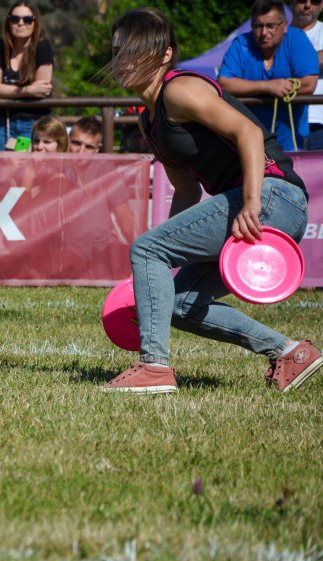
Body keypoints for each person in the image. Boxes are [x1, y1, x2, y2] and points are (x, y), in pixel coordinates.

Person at [102, 8, 320, 394]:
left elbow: (249, 132)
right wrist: (159, 273)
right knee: (180, 304)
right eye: (117, 51)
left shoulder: (179, 89)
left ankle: (154, 368)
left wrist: (251, 203)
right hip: (259, 202)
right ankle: (289, 352)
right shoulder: (147, 121)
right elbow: (186, 192)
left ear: (165, 53)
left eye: (132, 51)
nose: (121, 62)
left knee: (148, 249)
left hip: (274, 196)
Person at [218, 0, 319, 151]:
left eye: (270, 26)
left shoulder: (297, 40)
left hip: (292, 146)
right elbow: (224, 83)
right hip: (248, 145)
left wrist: (279, 86)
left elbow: (309, 84)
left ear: (284, 26)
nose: (264, 32)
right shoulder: (241, 44)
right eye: (258, 26)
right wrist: (267, 86)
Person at [0, 2, 53, 151]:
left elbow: (42, 90)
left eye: (27, 19)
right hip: (5, 122)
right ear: (8, 22)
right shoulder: (0, 47)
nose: (21, 23)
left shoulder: (42, 47)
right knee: (4, 172)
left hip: (33, 124)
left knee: (28, 172)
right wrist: (27, 90)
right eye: (15, 19)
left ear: (35, 22)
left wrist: (6, 90)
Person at [291, 0, 323, 150]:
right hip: (285, 122)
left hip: (320, 125)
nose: (308, 5)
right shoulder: (276, 32)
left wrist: (289, 62)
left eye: (315, 0)